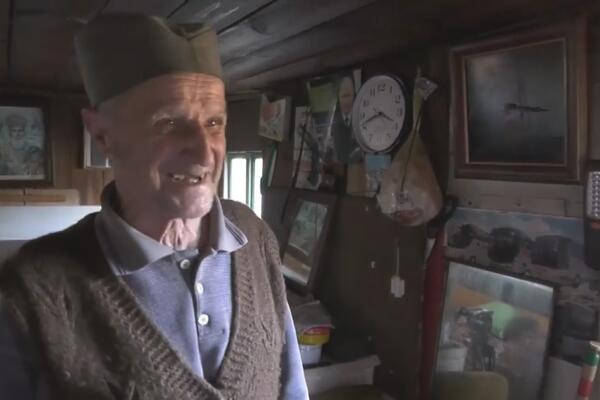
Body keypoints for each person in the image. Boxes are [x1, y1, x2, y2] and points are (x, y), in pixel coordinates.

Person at [0, 14, 308, 400]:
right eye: (169, 123)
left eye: (214, 122)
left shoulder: (255, 236)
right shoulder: (31, 291)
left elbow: (292, 386)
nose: (204, 152)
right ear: (102, 135)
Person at [330, 75, 361, 164]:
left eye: (349, 95)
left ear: (354, 95)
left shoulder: (360, 121)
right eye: (343, 96)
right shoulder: (333, 122)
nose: (346, 101)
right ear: (338, 98)